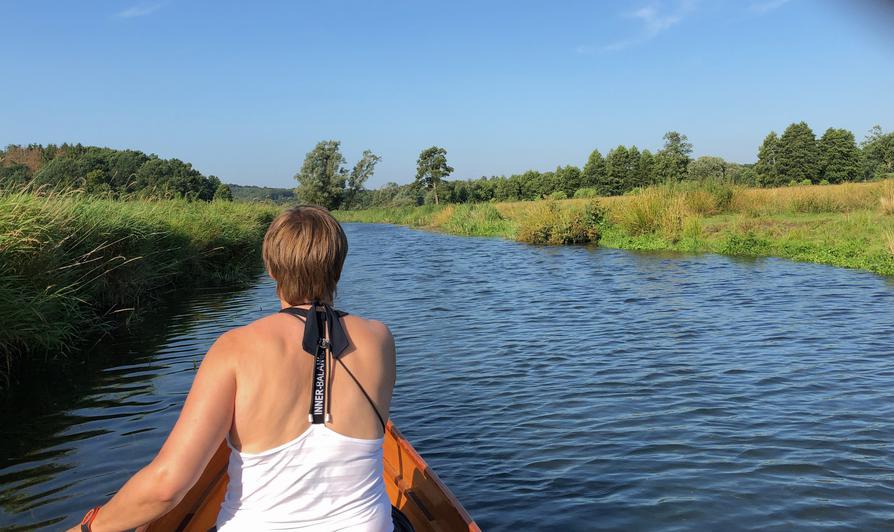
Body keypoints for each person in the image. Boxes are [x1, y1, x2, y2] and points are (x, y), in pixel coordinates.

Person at [71, 206, 397, 531]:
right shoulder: (379, 339)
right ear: (337, 266)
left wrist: (89, 528)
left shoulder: (235, 348)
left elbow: (167, 487)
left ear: (270, 268)